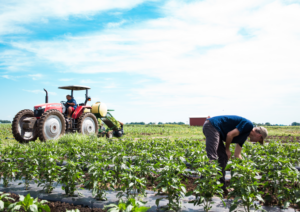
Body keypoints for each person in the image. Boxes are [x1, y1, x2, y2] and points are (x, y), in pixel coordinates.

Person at [202, 115, 268, 194]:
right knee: (212, 157)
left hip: (216, 130)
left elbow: (237, 154)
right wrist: (227, 149)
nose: (257, 142)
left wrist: (245, 168)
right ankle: (203, 186)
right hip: (212, 126)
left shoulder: (244, 136)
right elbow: (230, 134)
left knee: (223, 157)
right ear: (259, 136)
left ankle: (222, 189)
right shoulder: (248, 125)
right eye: (259, 140)